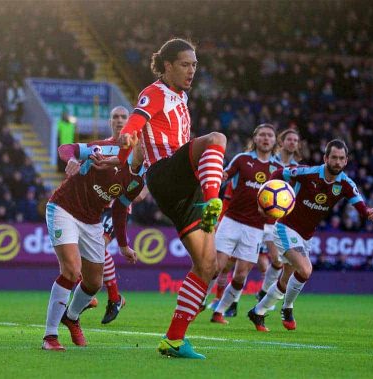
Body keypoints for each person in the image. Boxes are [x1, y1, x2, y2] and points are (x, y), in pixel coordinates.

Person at [116, 38, 226, 359]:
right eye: (184, 64)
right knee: (216, 138)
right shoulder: (155, 92)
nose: (192, 70)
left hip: (179, 188)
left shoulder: (180, 97)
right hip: (166, 173)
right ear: (167, 66)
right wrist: (130, 133)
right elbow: (139, 116)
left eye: (194, 65)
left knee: (208, 266)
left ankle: (173, 340)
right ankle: (211, 202)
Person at [249, 139, 373, 331]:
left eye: (341, 158)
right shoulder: (307, 173)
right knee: (306, 270)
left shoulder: (346, 184)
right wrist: (264, 197)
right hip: (286, 227)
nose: (337, 162)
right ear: (325, 158)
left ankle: (257, 312)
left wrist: (368, 212)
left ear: (346, 161)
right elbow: (279, 173)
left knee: (286, 279)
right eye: (333, 157)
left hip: (306, 236)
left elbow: (359, 205)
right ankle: (288, 308)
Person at [42, 131, 145, 351]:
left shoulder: (138, 179)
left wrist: (124, 244)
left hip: (92, 221)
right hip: (64, 209)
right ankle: (50, 336)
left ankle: (71, 317)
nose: (147, 149)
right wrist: (71, 160)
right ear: (136, 142)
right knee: (71, 270)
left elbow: (119, 209)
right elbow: (66, 148)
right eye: (144, 143)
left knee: (94, 283)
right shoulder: (107, 150)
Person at [64, 106, 148, 324]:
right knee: (80, 250)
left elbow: (142, 188)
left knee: (98, 246)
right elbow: (73, 154)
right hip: (92, 208)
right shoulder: (103, 148)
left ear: (130, 122)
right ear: (110, 121)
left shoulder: (139, 153)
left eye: (123, 117)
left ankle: (113, 298)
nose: (119, 121)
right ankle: (90, 293)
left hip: (115, 208)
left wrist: (136, 189)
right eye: (115, 117)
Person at [209, 124, 277, 325]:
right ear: (255, 138)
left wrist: (271, 211)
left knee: (240, 276)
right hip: (231, 221)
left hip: (255, 228)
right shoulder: (242, 159)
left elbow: (283, 200)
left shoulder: (278, 169)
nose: (265, 138)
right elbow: (225, 175)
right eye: (262, 135)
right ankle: (199, 303)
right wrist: (217, 177)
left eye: (270, 136)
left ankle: (219, 311)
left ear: (274, 141)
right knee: (217, 267)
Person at [257, 129, 301, 303]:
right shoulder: (269, 160)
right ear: (281, 142)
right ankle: (222, 299)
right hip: (255, 217)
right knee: (235, 263)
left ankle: (263, 292)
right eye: (289, 139)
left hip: (275, 220)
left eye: (295, 140)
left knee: (276, 261)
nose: (292, 142)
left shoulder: (297, 168)